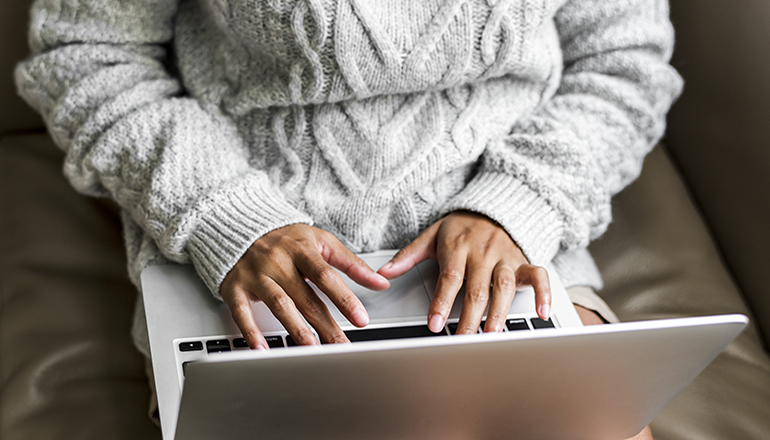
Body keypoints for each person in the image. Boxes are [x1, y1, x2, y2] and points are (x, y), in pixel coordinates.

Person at [15, 0, 681, 438]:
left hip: (512, 244)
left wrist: (519, 205)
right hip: (254, 261)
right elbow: (87, 57)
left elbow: (625, 67)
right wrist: (229, 218)